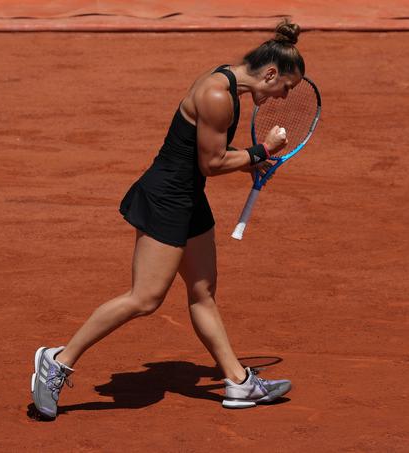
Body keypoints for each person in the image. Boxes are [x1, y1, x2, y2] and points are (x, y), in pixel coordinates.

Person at [31, 19, 306, 418]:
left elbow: (207, 159)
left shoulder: (227, 82)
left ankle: (239, 383)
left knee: (202, 293)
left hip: (189, 197)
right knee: (145, 298)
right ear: (270, 74)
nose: (283, 96)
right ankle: (56, 360)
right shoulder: (218, 95)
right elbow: (211, 163)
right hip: (167, 199)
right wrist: (261, 152)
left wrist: (248, 164)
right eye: (286, 87)